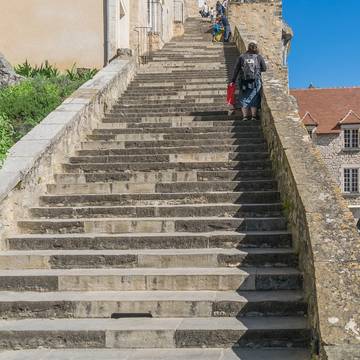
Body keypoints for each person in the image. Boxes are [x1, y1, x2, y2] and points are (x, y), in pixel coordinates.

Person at [230, 41, 267, 120]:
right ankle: (253, 116)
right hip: (255, 81)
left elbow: (236, 69)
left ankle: (245, 117)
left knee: (243, 98)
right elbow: (264, 68)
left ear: (248, 47)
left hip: (244, 81)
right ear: (256, 48)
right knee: (254, 97)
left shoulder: (242, 57)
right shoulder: (258, 57)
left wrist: (232, 80)